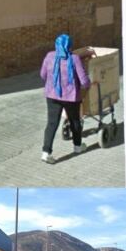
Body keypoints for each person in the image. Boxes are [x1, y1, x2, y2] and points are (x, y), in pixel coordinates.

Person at [39, 34, 95, 163]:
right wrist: (89, 84)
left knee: (52, 123)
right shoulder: (74, 58)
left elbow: (43, 75)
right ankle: (77, 146)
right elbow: (84, 81)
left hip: (52, 95)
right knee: (75, 121)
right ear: (69, 45)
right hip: (71, 97)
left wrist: (53, 82)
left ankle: (46, 153)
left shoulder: (49, 56)